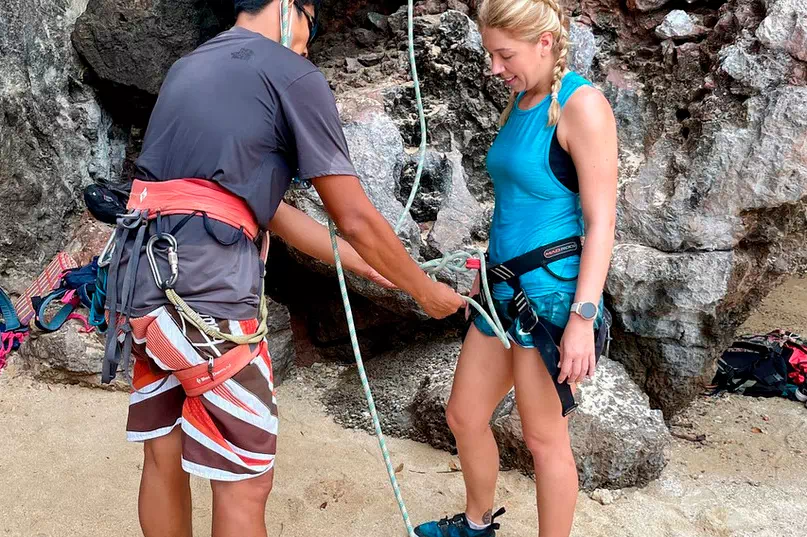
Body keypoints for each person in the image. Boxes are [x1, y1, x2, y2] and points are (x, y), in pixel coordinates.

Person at [101, 1, 465, 536]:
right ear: (287, 5)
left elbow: (251, 204)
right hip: (208, 287)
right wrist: (423, 290)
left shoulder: (190, 67)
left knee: (164, 455)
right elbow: (356, 215)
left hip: (140, 276)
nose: (308, 43)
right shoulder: (290, 73)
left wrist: (360, 263)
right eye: (310, 25)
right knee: (246, 483)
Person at [413, 0, 618, 536]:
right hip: (501, 291)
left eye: (505, 54)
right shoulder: (526, 100)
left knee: (544, 440)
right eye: (491, 55)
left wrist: (582, 317)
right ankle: (477, 525)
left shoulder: (583, 105)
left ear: (544, 42)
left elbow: (601, 222)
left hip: (550, 301)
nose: (495, 68)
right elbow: (518, 202)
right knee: (463, 414)